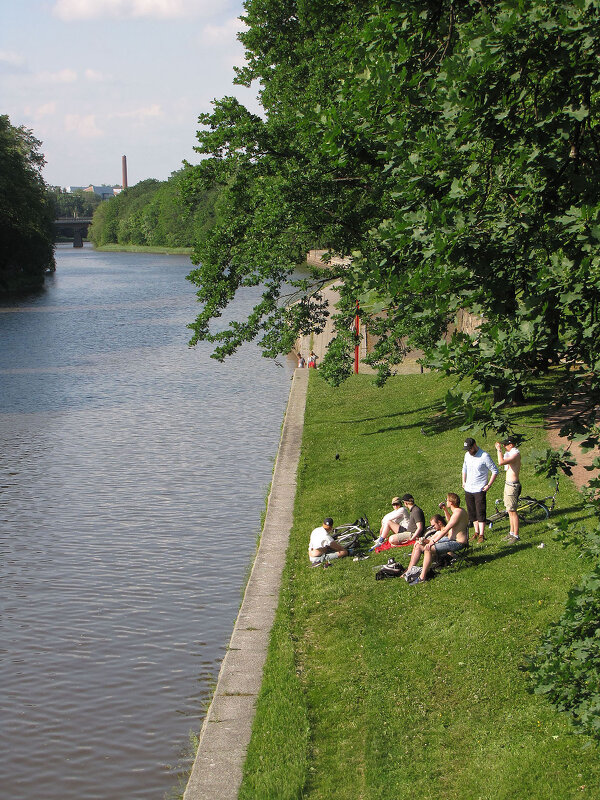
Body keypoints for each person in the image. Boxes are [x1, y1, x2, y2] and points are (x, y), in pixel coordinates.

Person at [405, 492, 469, 583]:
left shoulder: (458, 512)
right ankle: (409, 570)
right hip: (452, 539)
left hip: (458, 543)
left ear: (451, 502)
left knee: (428, 548)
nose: (446, 501)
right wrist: (445, 510)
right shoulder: (459, 511)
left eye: (447, 499)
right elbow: (450, 520)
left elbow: (445, 529)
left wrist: (433, 541)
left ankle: (422, 577)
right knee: (421, 544)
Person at [462, 437, 498, 543]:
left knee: (480, 511)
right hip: (468, 488)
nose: (469, 451)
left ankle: (482, 534)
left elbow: (495, 470)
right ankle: (476, 532)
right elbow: (464, 468)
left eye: (470, 449)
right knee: (472, 512)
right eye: (467, 449)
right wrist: (463, 481)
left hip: (479, 488)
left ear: (475, 445)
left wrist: (488, 485)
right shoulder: (467, 455)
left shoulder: (484, 456)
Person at [495, 436, 522, 542]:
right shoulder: (512, 453)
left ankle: (516, 535)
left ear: (511, 445)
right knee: (509, 510)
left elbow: (501, 462)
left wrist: (498, 450)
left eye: (506, 445)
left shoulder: (515, 454)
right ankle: (511, 532)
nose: (504, 446)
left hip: (513, 485)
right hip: (508, 484)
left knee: (513, 511)